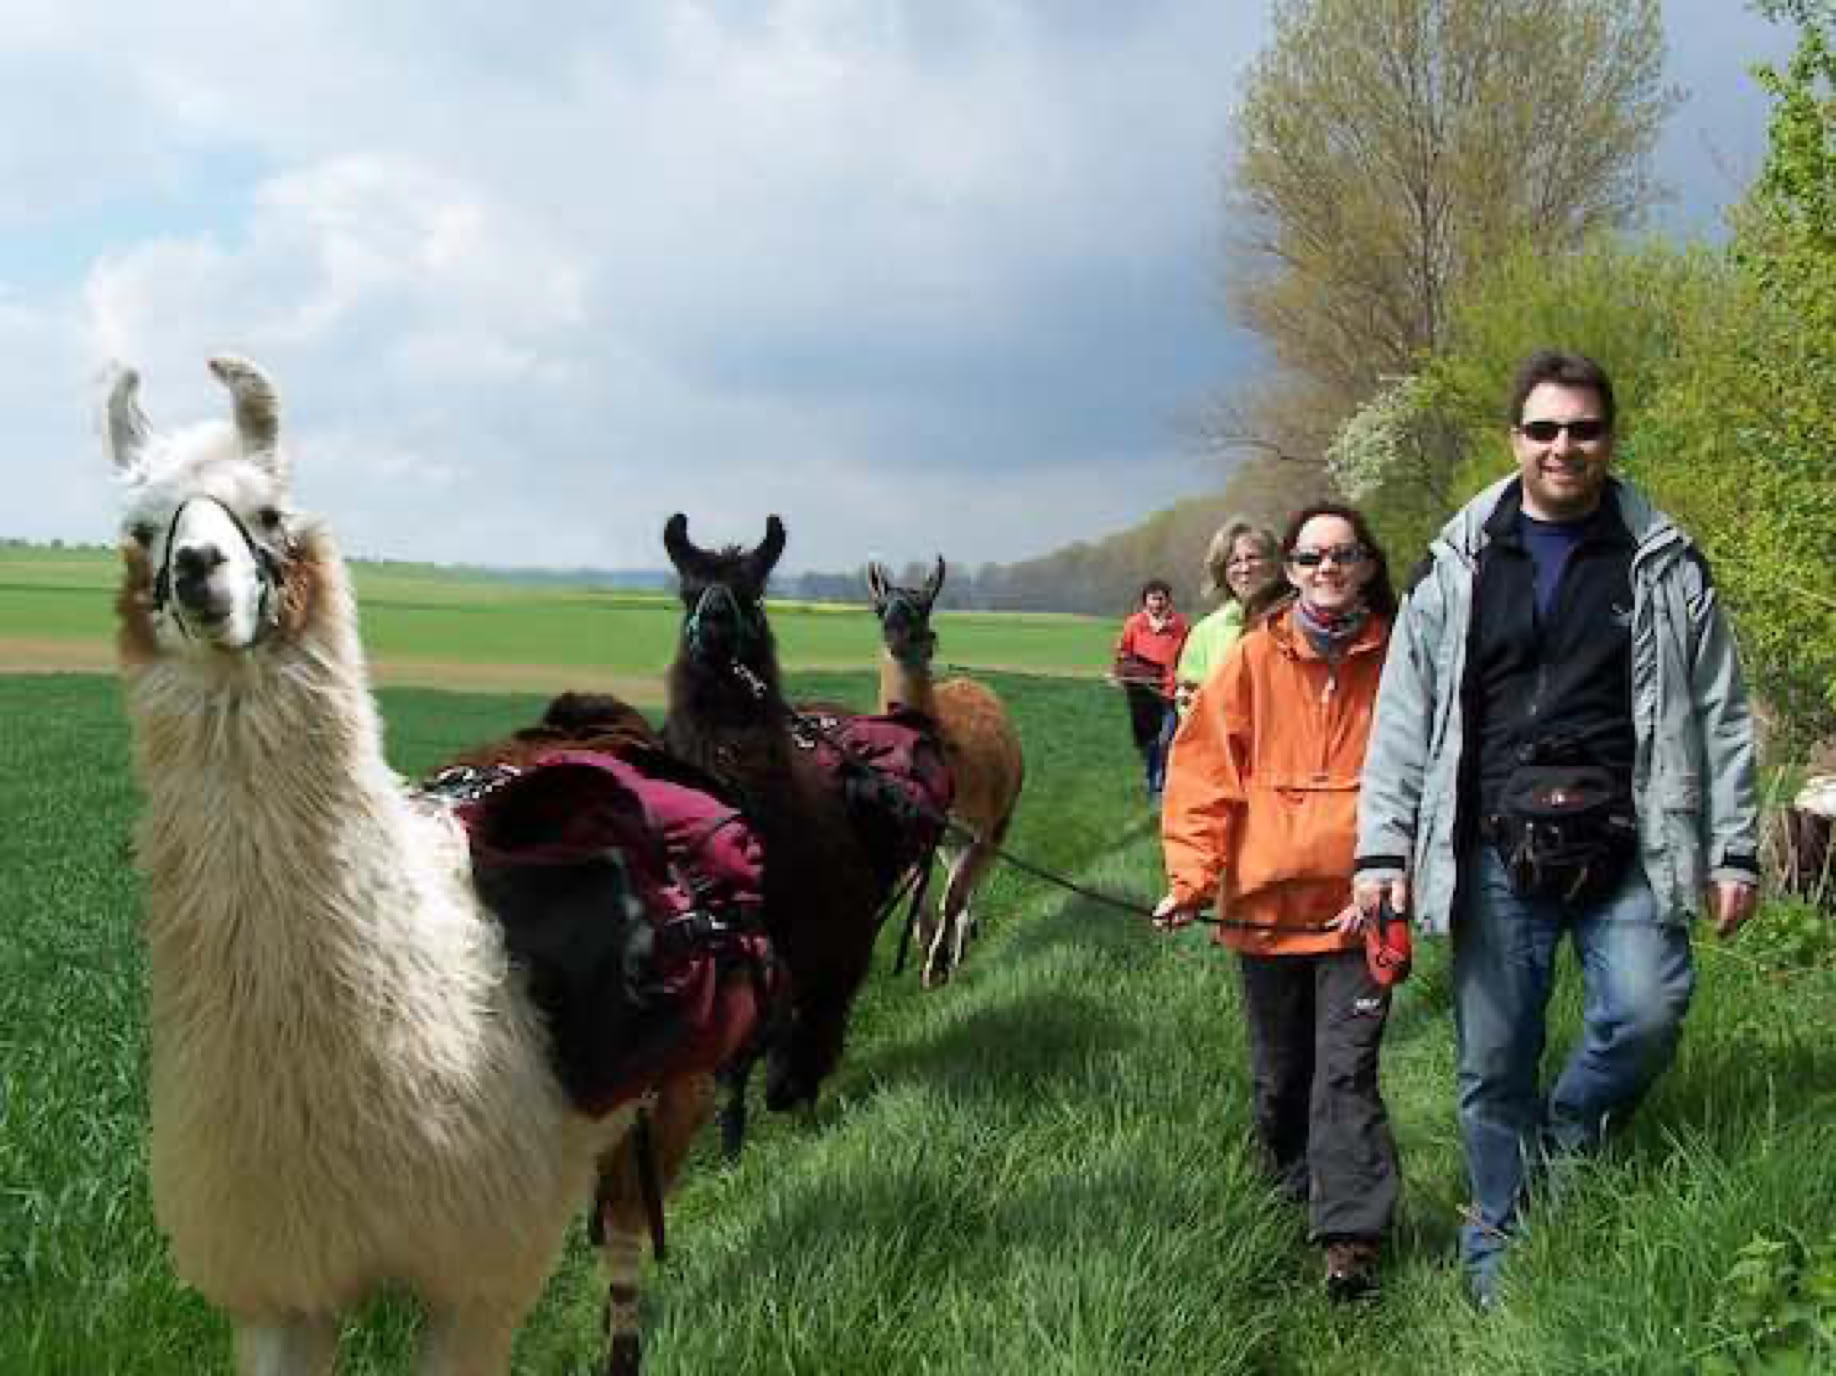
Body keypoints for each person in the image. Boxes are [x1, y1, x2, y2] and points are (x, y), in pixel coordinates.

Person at [1352, 349, 1761, 1307]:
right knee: (1493, 1060)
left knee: (1648, 1013)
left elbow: (1721, 708)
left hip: (1631, 844)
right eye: (1544, 429)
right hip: (1493, 849)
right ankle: (1498, 1246)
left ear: (1610, 439)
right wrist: (1383, 848)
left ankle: (1566, 1142)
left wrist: (1735, 844)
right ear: (1515, 439)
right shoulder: (1457, 562)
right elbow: (1403, 713)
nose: (1563, 447)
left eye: (1582, 429)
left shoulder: (1663, 559)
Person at [1154, 504, 1400, 1301]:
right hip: (1262, 914)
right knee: (1280, 1078)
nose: (1328, 569)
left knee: (1346, 1075)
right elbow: (1202, 775)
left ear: (1366, 564)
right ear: (1290, 571)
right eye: (1311, 558)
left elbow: (1432, 775)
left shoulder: (1401, 657)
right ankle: (1287, 1189)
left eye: (1343, 554)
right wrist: (1191, 882)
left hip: (1362, 913)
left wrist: (1406, 880)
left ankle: (1349, 1243)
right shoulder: (1253, 659)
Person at [1173, 520, 1284, 716]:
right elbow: (1189, 701)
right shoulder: (1205, 631)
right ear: (1222, 572)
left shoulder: (1301, 620)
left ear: (1275, 563)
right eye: (1234, 561)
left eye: (1253, 557)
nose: (1244, 568)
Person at [1113, 579, 1189, 799]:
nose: (1157, 603)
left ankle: (1158, 787)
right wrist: (1120, 674)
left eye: (1161, 598)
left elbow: (1189, 654)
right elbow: (1123, 652)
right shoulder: (1134, 624)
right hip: (1142, 692)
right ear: (1145, 601)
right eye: (1153, 598)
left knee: (1166, 738)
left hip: (1169, 691)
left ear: (1168, 600)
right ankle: (1151, 776)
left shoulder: (1180, 626)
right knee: (1147, 740)